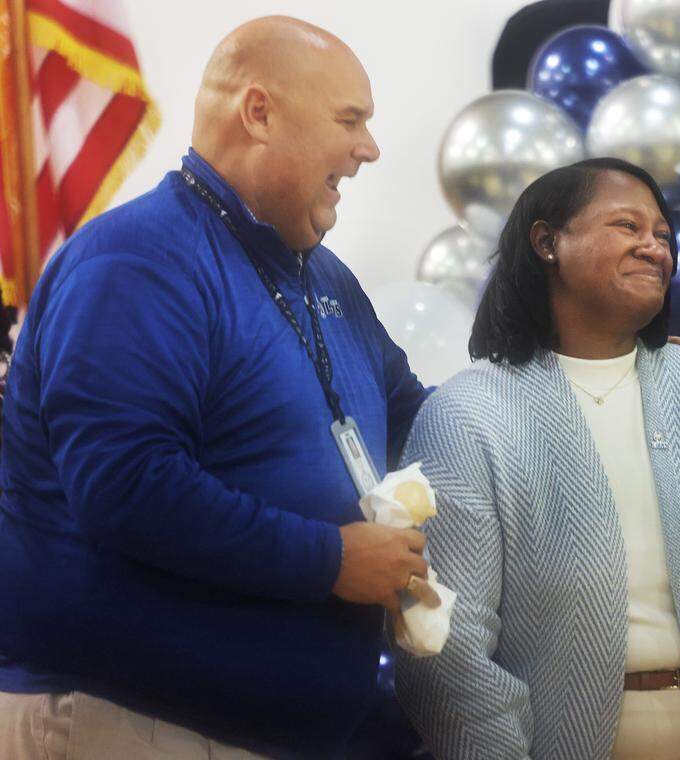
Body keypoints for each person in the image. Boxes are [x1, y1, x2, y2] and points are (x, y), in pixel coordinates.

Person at [0, 16, 440, 759]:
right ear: (259, 113)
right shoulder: (137, 261)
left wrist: (571, 381)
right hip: (132, 720)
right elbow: (126, 484)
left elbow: (420, 419)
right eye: (350, 120)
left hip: (270, 733)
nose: (369, 148)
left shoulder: (324, 278)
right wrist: (329, 561)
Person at [395, 157, 680, 759]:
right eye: (627, 226)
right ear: (548, 243)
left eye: (662, 235)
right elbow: (450, 642)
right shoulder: (467, 414)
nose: (654, 248)